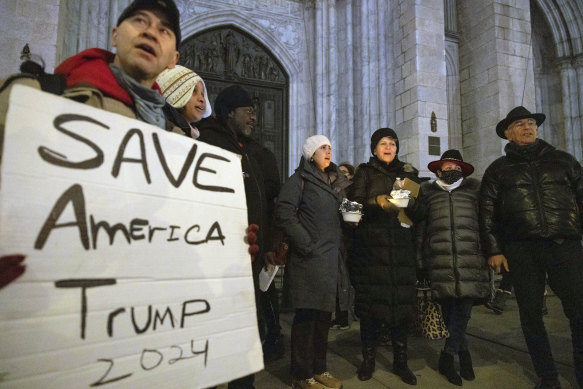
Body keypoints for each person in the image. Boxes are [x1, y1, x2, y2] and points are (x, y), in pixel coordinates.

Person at [479, 106, 583, 389]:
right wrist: (494, 250)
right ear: (508, 134)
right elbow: (487, 213)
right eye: (519, 125)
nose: (527, 128)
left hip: (565, 245)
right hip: (521, 250)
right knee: (531, 316)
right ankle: (548, 376)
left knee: (579, 310)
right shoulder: (498, 170)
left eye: (530, 123)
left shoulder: (563, 161)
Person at [197, 85, 272, 389]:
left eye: (255, 110)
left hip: (248, 254)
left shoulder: (248, 148)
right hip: (218, 255)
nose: (254, 116)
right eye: (247, 110)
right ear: (229, 112)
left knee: (245, 326)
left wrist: (266, 245)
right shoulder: (207, 141)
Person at [348, 128, 423, 385]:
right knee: (371, 308)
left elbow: (416, 207)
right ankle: (368, 360)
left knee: (401, 308)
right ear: (374, 149)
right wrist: (376, 201)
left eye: (392, 143)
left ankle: (401, 362)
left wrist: (403, 199)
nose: (388, 147)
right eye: (383, 143)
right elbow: (355, 203)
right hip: (372, 249)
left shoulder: (408, 173)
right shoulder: (365, 172)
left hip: (401, 248)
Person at [276, 135, 350, 389]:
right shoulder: (299, 180)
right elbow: (284, 212)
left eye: (330, 147)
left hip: (330, 260)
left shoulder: (335, 182)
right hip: (308, 260)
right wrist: (306, 243)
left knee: (322, 320)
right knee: (306, 320)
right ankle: (300, 374)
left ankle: (319, 369)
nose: (328, 151)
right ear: (310, 154)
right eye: (322, 148)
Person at [416, 149, 490, 386]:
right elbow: (421, 229)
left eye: (456, 168)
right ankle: (463, 352)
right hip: (439, 259)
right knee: (449, 311)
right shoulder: (428, 193)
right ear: (438, 171)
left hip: (471, 258)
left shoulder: (474, 191)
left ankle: (448, 355)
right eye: (447, 168)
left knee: (464, 310)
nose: (452, 171)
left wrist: (492, 251)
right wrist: (420, 259)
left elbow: (485, 223)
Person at [330, 161, 356, 331]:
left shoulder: (348, 191)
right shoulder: (336, 189)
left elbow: (351, 215)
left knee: (344, 278)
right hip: (336, 238)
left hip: (345, 240)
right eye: (339, 172)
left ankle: (345, 316)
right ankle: (340, 316)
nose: (342, 175)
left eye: (345, 172)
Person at [156, 64, 212, 138]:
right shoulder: (163, 129)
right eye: (193, 91)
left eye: (202, 94)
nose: (202, 99)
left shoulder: (192, 133)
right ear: (174, 94)